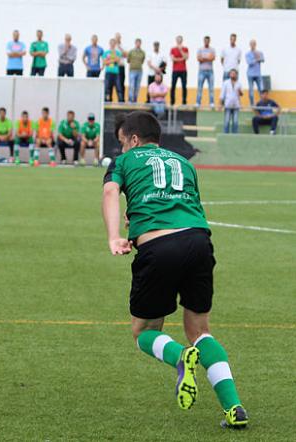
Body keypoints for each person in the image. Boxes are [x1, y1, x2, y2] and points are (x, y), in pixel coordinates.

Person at [102, 110, 248, 430]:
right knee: (200, 331)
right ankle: (234, 406)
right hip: (198, 242)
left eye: (123, 143)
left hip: (159, 249)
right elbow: (182, 203)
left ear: (135, 139)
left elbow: (111, 191)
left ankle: (180, 358)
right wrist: (138, 216)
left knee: (144, 333)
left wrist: (115, 235)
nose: (123, 149)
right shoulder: (185, 162)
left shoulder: (125, 162)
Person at [220, 69, 243, 134]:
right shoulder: (226, 83)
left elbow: (241, 94)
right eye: (231, 73)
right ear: (229, 74)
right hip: (228, 105)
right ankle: (225, 134)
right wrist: (220, 104)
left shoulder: (239, 83)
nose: (232, 75)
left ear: (236, 75)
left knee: (235, 121)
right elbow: (222, 94)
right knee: (226, 121)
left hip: (236, 105)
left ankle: (235, 135)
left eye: (234, 73)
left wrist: (240, 92)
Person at [196, 36, 216, 107]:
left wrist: (203, 58)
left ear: (209, 41)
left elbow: (212, 58)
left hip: (210, 71)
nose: (206, 42)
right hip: (201, 71)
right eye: (205, 41)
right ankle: (198, 102)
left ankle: (211, 102)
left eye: (208, 41)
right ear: (203, 41)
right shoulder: (200, 49)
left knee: (211, 88)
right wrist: (208, 58)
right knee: (200, 87)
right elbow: (199, 59)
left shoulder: (212, 49)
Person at [170, 35, 189, 106]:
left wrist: (181, 50)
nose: (179, 41)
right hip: (175, 70)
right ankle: (172, 101)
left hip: (183, 70)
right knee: (173, 86)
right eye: (178, 39)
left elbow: (186, 57)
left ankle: (184, 101)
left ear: (182, 40)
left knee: (184, 86)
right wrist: (181, 59)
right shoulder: (173, 49)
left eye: (180, 39)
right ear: (176, 40)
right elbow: (173, 59)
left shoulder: (185, 48)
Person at [246, 40, 265, 106]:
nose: (252, 45)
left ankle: (262, 104)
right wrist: (257, 59)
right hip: (250, 74)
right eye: (251, 44)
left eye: (253, 44)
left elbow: (263, 59)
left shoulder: (259, 52)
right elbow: (249, 63)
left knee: (261, 89)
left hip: (258, 74)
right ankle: (252, 104)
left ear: (255, 44)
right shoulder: (247, 54)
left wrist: (258, 58)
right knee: (251, 90)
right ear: (250, 45)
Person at [127, 38, 145, 103]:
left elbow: (142, 61)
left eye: (139, 43)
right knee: (131, 85)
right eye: (137, 43)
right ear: (135, 43)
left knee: (137, 86)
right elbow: (128, 60)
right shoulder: (131, 51)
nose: (138, 44)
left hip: (139, 71)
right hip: (132, 70)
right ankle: (130, 99)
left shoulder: (143, 52)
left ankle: (135, 99)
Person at [114, 33, 127, 100]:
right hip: (114, 67)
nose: (117, 39)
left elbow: (125, 55)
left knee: (121, 83)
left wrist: (119, 48)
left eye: (119, 37)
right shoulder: (113, 46)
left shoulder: (123, 46)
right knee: (115, 83)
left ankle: (121, 99)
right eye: (116, 37)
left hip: (121, 66)